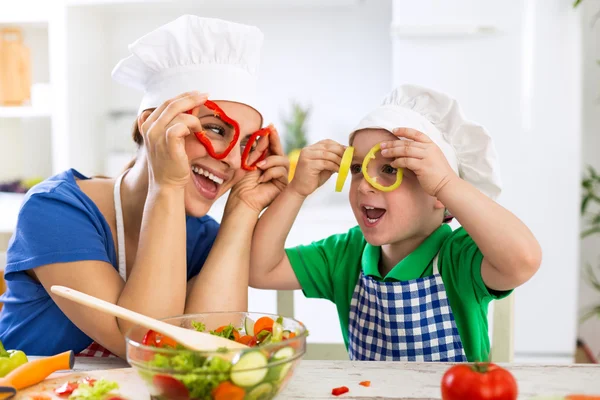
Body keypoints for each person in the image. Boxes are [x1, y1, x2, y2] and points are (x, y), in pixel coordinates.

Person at [0, 15, 289, 358]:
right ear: (150, 124)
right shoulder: (54, 211)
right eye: (215, 129)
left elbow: (211, 351)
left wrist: (245, 208)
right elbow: (145, 344)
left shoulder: (205, 238)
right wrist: (166, 185)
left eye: (246, 145)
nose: (234, 162)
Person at [249, 84, 542, 362]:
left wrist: (447, 183)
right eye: (357, 169)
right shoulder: (346, 254)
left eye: (389, 169)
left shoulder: (459, 257)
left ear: (439, 193)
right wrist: (296, 190)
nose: (365, 185)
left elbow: (523, 260)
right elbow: (258, 269)